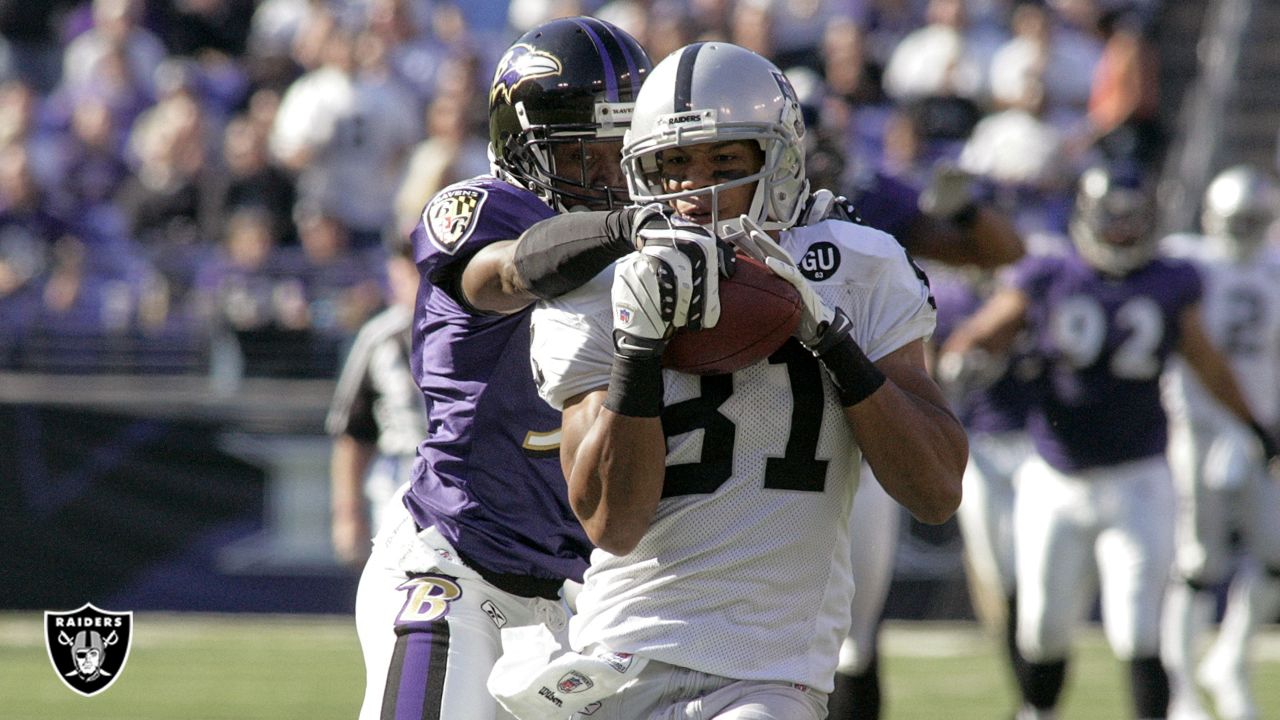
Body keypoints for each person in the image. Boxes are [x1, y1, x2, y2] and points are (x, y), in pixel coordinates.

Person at [503, 41, 966, 720]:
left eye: (725, 161)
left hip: (769, 672)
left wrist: (832, 341)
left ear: (777, 161)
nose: (696, 189)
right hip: (620, 655)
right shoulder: (603, 288)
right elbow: (613, 522)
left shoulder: (859, 265)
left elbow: (935, 491)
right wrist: (639, 349)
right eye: (673, 165)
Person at [352, 17, 667, 720]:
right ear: (527, 149)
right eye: (588, 152)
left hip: (567, 604)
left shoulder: (659, 252)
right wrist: (626, 232)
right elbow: (508, 272)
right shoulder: (486, 211)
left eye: (625, 150)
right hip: (452, 572)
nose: (613, 174)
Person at [940, 164, 1280, 720]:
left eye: (1132, 222)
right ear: (1088, 218)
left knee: (1138, 629)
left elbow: (1209, 366)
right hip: (1056, 477)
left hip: (1139, 475)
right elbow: (986, 332)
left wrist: (1257, 427)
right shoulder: (1051, 271)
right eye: (1112, 221)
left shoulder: (1170, 278)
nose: (1121, 234)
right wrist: (966, 359)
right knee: (1043, 629)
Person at [1159, 165, 1280, 720]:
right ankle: (1179, 683)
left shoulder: (1274, 268)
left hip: (1262, 431)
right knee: (1198, 559)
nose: (1242, 230)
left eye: (1253, 220)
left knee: (1275, 553)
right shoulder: (1186, 263)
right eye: (1235, 219)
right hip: (1197, 428)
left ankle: (1229, 658)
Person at [325, 238, 429, 567]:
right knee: (400, 576)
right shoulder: (380, 338)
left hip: (467, 476)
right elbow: (353, 433)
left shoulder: (475, 330)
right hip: (401, 473)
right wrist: (347, 512)